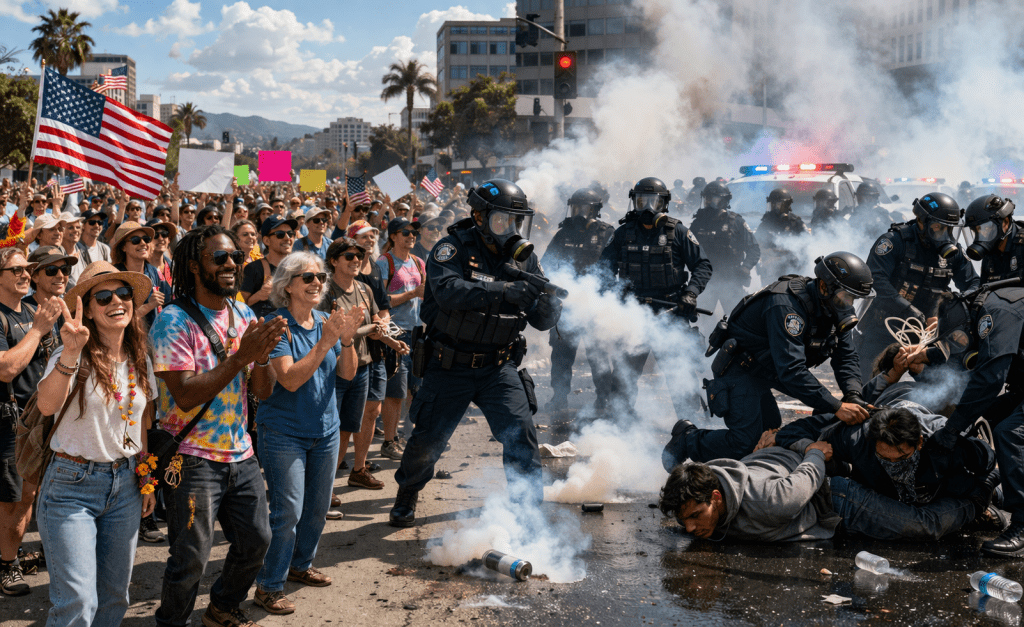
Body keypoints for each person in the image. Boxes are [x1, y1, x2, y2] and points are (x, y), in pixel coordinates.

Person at [388, 179, 562, 527]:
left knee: (521, 433)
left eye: (516, 221)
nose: (510, 229)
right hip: (450, 363)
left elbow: (543, 320)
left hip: (498, 366)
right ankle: (407, 493)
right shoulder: (450, 248)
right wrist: (504, 291)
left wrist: (547, 304)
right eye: (502, 219)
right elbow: (450, 291)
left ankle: (527, 509)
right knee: (428, 442)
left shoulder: (525, 258)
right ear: (480, 217)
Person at [152, 225, 288, 627]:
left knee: (257, 542)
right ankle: (171, 621)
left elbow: (261, 390)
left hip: (240, 452)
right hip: (193, 459)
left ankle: (223, 605)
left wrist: (260, 357)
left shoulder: (243, 312)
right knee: (190, 558)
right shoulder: (173, 320)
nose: (232, 264)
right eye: (220, 258)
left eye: (236, 257)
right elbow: (185, 395)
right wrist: (240, 356)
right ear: (195, 266)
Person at [35, 262, 159, 626]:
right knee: (77, 603)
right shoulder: (69, 354)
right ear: (88, 309)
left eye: (123, 294)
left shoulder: (139, 357)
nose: (116, 301)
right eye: (103, 297)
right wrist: (71, 351)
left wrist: (146, 476)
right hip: (70, 486)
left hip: (125, 486)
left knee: (114, 598)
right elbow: (46, 405)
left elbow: (142, 424)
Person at [663, 252, 873, 466]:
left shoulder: (834, 308)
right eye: (846, 296)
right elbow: (791, 370)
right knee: (745, 443)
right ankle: (687, 439)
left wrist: (853, 395)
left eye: (854, 299)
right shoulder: (787, 306)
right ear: (823, 287)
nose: (850, 305)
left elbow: (846, 356)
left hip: (769, 369)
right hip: (742, 367)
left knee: (770, 428)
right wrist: (837, 406)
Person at [253, 251, 362, 615]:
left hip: (326, 430)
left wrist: (345, 341)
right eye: (307, 277)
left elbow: (347, 374)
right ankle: (268, 586)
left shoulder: (324, 323)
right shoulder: (276, 324)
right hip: (284, 432)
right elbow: (290, 378)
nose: (317, 282)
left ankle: (300, 565)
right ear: (288, 286)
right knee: (289, 512)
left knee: (316, 509)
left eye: (319, 276)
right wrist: (327, 342)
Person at [659, 427, 994, 543]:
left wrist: (812, 451)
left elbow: (808, 473)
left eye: (695, 516)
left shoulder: (771, 500)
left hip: (832, 496)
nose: (689, 528)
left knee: (924, 525)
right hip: (789, 475)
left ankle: (981, 495)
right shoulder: (701, 497)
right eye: (684, 519)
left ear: (716, 497)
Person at [772, 406, 1001, 537]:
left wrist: (958, 440)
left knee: (995, 492)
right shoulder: (855, 437)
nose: (895, 465)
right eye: (885, 458)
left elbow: (989, 462)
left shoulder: (939, 440)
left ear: (919, 443)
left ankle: (984, 507)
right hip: (893, 497)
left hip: (953, 491)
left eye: (902, 458)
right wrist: (810, 448)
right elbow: (793, 431)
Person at [599, 176, 713, 418]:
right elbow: (603, 271)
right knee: (623, 375)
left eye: (655, 202)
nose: (648, 208)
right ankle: (618, 427)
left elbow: (703, 265)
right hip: (634, 314)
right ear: (634, 203)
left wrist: (691, 294)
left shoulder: (678, 231)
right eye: (642, 202)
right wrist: (610, 301)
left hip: (670, 311)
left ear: (664, 204)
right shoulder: (622, 234)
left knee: (679, 374)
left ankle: (691, 427)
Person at [926, 282, 1024, 556]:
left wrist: (952, 429)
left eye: (958, 336)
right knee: (994, 413)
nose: (960, 342)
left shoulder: (995, 312)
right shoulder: (990, 305)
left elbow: (991, 377)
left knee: (1011, 433)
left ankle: (1023, 525)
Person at [856, 192, 979, 379]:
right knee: (867, 383)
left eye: (949, 229)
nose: (944, 235)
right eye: (938, 227)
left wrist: (950, 314)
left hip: (929, 333)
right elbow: (875, 280)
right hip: (884, 326)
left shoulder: (954, 252)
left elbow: (973, 284)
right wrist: (908, 310)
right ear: (921, 222)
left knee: (942, 387)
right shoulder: (894, 241)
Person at [322, 239, 402, 491]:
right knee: (331, 430)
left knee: (349, 426)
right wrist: (366, 328)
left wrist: (390, 340)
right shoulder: (325, 292)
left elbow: (377, 321)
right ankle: (323, 488)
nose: (357, 259)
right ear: (334, 261)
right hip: (333, 369)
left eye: (360, 255)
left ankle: (356, 471)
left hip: (364, 366)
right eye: (349, 256)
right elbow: (329, 331)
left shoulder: (365, 290)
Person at [541, 187, 616, 411]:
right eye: (576, 208)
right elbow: (546, 263)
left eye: (585, 208)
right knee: (561, 354)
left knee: (598, 354)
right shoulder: (563, 233)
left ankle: (604, 397)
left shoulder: (607, 233)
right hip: (567, 305)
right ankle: (559, 397)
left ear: (595, 210)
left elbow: (616, 268)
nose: (579, 213)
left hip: (595, 305)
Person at [376, 217, 425, 460]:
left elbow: (425, 295)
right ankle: (389, 441)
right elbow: (381, 301)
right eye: (405, 232)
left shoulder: (418, 262)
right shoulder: (384, 263)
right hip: (395, 334)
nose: (411, 236)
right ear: (393, 236)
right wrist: (413, 293)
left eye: (414, 232)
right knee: (395, 393)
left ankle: (408, 435)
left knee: (416, 389)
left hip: (417, 333)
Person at [688, 180, 760, 313]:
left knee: (736, 318)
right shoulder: (697, 223)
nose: (708, 203)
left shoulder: (736, 222)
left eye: (712, 199)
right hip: (705, 279)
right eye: (706, 199)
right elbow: (688, 250)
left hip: (731, 279)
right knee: (701, 318)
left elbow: (754, 249)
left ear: (723, 201)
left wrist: (745, 268)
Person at [110, 221, 172, 329]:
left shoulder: (153, 271)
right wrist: (149, 306)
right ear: (123, 247)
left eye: (146, 239)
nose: (143, 243)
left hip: (150, 337)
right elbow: (118, 318)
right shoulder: (115, 275)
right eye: (135, 240)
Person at [241, 216, 297, 321]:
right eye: (280, 234)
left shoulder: (298, 269)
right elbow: (240, 306)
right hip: (265, 331)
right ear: (266, 240)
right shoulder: (254, 269)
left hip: (293, 331)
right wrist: (259, 295)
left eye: (291, 234)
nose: (287, 238)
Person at [963, 195, 1024, 282]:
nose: (982, 235)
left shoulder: (1021, 246)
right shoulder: (989, 254)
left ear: (1005, 222)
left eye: (986, 228)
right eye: (976, 230)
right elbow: (984, 288)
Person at [755, 188, 808, 281]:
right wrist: (759, 265)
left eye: (777, 204)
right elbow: (756, 247)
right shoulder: (765, 224)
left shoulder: (796, 223)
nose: (774, 207)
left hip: (792, 272)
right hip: (770, 272)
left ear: (786, 205)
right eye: (772, 204)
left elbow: (807, 246)